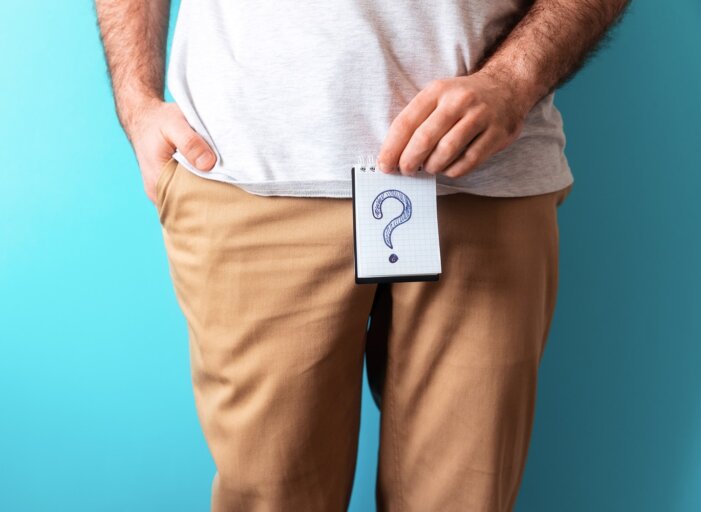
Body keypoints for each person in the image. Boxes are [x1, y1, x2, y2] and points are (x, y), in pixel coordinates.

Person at [95, 1, 629, 510]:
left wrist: (513, 80)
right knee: (270, 498)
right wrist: (136, 104)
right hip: (251, 179)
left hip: (484, 179)